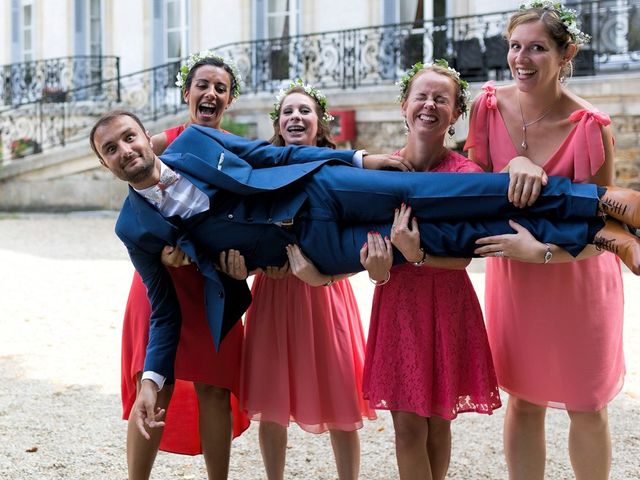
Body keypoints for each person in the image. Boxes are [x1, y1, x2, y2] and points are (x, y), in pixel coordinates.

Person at [89, 108, 640, 439]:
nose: (124, 151)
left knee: (446, 193)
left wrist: (356, 159)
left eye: (128, 138)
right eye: (110, 150)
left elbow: (267, 156)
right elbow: (165, 311)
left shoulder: (193, 142)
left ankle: (604, 202)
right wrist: (150, 381)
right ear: (105, 164)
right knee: (442, 235)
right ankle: (594, 237)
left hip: (319, 188)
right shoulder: (134, 229)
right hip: (314, 246)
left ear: (146, 136)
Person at [464, 2, 630, 478]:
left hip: (575, 279)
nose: (522, 58)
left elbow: (607, 229)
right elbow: (471, 186)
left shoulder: (589, 127)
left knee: (587, 405)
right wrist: (511, 166)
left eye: (537, 48)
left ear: (565, 53)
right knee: (524, 400)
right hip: (516, 283)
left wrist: (543, 252)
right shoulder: (488, 106)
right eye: (515, 46)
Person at [358, 61, 501, 480]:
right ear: (404, 105)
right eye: (421, 96)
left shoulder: (467, 175)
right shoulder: (379, 172)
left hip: (448, 302)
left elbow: (467, 256)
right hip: (399, 303)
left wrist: (417, 255)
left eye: (442, 99)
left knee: (440, 422)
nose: (430, 105)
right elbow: (366, 247)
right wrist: (378, 270)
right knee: (406, 427)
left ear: (456, 114)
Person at [120, 51, 249, 480]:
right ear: (187, 92)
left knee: (216, 387)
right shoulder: (157, 143)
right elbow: (135, 209)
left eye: (220, 88)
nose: (210, 93)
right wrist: (158, 251)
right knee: (156, 384)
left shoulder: (236, 149)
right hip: (162, 284)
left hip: (215, 284)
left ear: (228, 100)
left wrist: (243, 265)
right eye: (203, 85)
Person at [239, 80, 376, 480]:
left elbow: (357, 236)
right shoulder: (260, 168)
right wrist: (257, 263)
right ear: (278, 123)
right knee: (271, 393)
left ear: (320, 122)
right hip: (274, 292)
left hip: (325, 292)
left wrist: (325, 274)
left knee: (339, 390)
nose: (295, 117)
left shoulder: (338, 167)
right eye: (288, 111)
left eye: (304, 111)